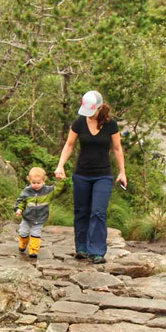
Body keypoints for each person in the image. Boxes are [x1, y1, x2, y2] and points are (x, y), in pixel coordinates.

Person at [55, 90, 127, 264]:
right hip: (82, 175)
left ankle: (96, 251)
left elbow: (117, 149)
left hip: (103, 176)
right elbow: (69, 145)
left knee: (98, 212)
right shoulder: (79, 123)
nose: (89, 115)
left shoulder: (111, 125)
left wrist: (122, 172)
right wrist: (60, 165)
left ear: (100, 108)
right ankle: (81, 248)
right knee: (81, 211)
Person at [14, 166, 56, 259]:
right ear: (29, 181)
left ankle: (33, 250)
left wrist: (60, 180)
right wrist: (19, 209)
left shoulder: (47, 191)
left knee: (35, 234)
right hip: (27, 217)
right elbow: (21, 201)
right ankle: (23, 243)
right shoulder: (27, 191)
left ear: (44, 181)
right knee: (23, 232)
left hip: (40, 218)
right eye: (33, 183)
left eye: (38, 183)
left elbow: (57, 188)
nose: (36, 185)